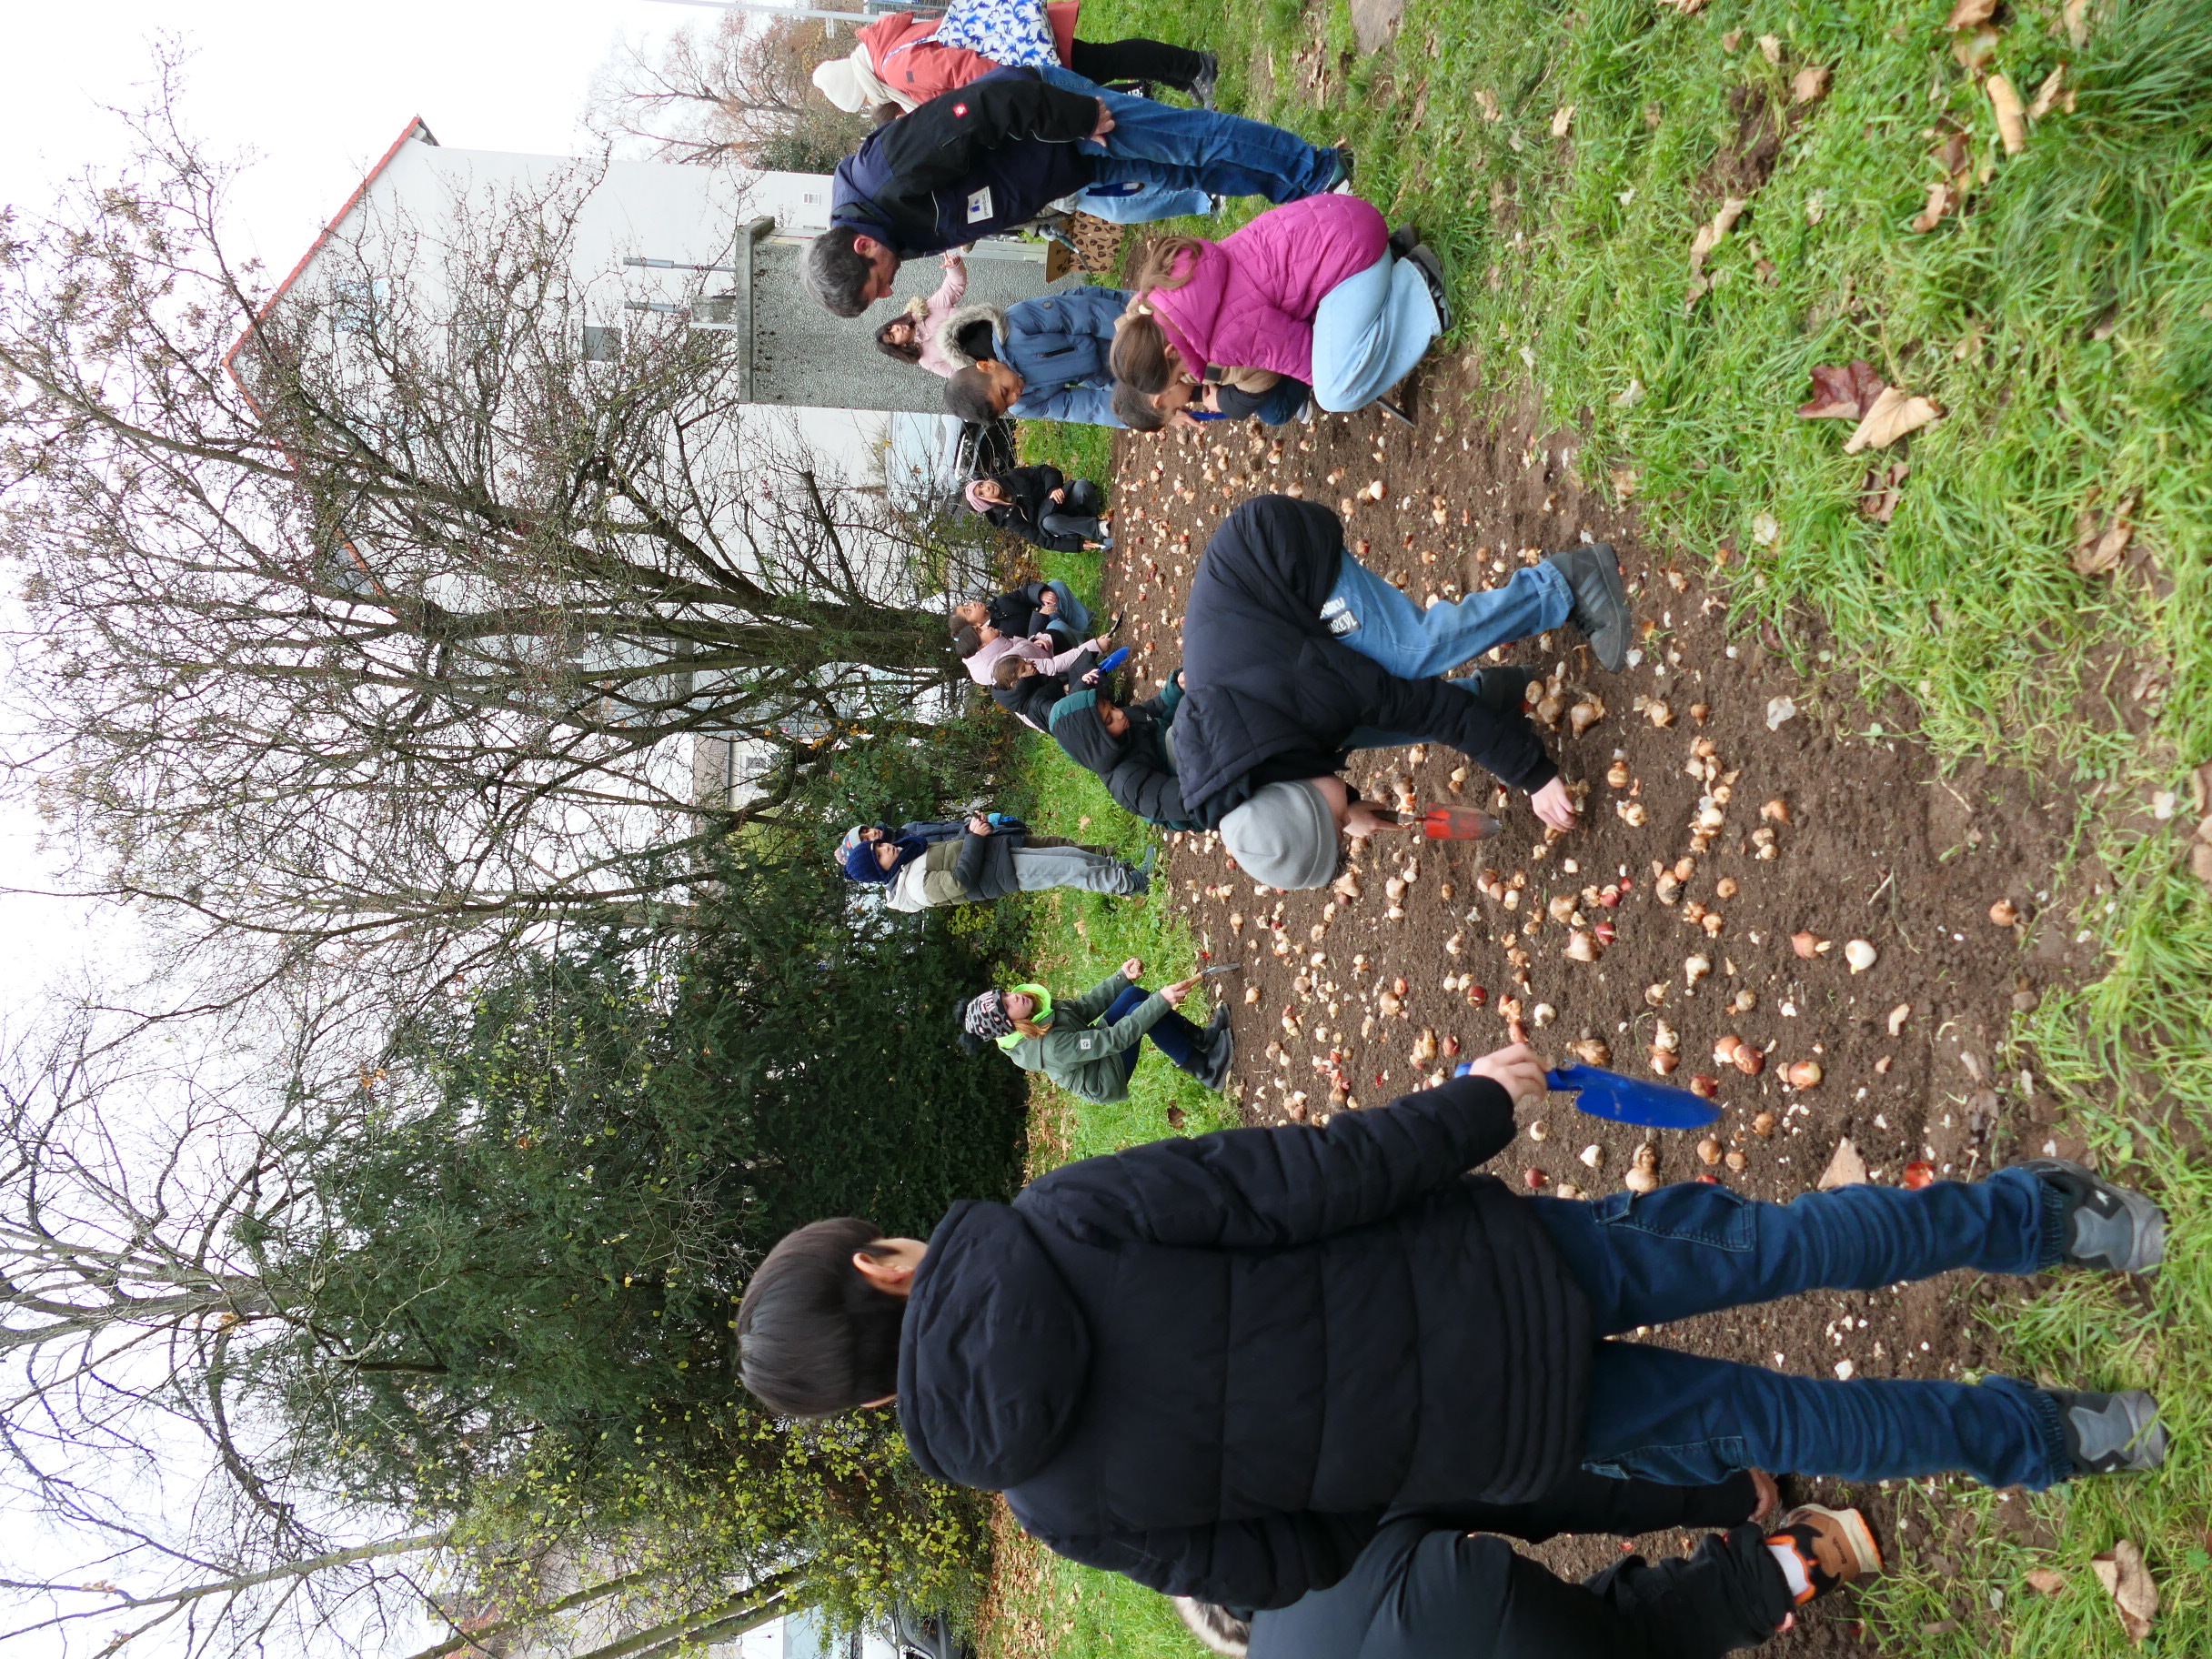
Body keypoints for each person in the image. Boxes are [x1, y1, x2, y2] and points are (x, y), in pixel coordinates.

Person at [733, 1041, 2167, 1611]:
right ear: (879, 1267)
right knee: (1782, 1246)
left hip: (1505, 1434)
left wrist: (1381, 1460)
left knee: (1785, 1421)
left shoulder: (1055, 1512)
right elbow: (1305, 1178)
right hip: (1508, 1269)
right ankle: (2056, 1223)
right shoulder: (1062, 1216)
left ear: (871, 1403)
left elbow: (1288, 1565)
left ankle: (2073, 1438)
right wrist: (1478, 1103)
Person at [1170, 495, 1632, 885]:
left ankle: (1564, 583)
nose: (1345, 827)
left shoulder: (1305, 694)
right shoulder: (1240, 773)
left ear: (1299, 797)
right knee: (1365, 719)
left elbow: (1430, 709)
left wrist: (1533, 775)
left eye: (1334, 824)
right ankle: (1491, 698)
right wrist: (1348, 806)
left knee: (1413, 652)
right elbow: (1295, 765)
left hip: (1276, 551)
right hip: (1276, 631)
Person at [807, 69, 1351, 316]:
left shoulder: (886, 175)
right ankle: (1294, 191)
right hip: (1059, 167)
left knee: (1191, 141)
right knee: (1186, 173)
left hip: (1060, 121)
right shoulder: (885, 232)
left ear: (861, 245)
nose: (889, 292)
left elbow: (985, 107)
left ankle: (1317, 170)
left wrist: (1078, 117)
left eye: (877, 285)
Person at [1174, 1498, 1880, 1659]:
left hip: (1470, 1618)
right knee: (1628, 1631)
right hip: (1473, 1604)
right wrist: (1714, 1491)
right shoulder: (1323, 1525)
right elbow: (1533, 1493)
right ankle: (1805, 1557)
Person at [1111, 197, 1448, 417]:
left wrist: (1350, 374)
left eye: (1177, 373)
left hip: (1354, 256)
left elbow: (1307, 358)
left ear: (1171, 350)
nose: (1185, 376)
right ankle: (1393, 259)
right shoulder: (1170, 284)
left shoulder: (1223, 340)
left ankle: (1420, 289)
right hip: (1344, 217)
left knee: (1336, 392)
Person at [809, 5, 1220, 115]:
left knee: (1108, 60)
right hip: (1018, 41)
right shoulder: (887, 49)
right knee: (1106, 61)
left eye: (863, 100)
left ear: (860, 86)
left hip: (1022, 59)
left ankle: (1197, 67)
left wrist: (1017, 86)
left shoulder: (896, 70)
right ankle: (1187, 76)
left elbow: (965, 71)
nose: (872, 103)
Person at [960, 957, 1232, 1099]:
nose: (1014, 998)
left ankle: (1203, 1040)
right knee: (1144, 1012)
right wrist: (1160, 1001)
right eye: (1007, 1007)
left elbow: (1082, 1007)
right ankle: (1206, 1070)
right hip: (1105, 1076)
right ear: (1010, 1026)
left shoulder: (1035, 1012)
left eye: (1005, 995)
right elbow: (1114, 1040)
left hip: (1097, 1051)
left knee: (1132, 995)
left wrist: (1121, 978)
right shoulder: (1052, 1048)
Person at [842, 812, 1150, 909]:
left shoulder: (909, 856)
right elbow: (961, 880)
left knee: (1072, 855)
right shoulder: (913, 887)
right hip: (1004, 873)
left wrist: (974, 831)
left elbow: (952, 847)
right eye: (879, 855)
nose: (886, 848)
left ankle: (1125, 871)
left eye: (880, 845)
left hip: (999, 855)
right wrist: (975, 838)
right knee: (1072, 869)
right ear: (879, 870)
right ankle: (1134, 884)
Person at [936, 289, 1131, 427]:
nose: (1014, 397)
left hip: (1114, 317)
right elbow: (1082, 407)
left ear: (986, 366)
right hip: (1106, 370)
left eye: (1004, 391)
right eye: (1007, 405)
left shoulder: (1015, 325)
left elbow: (1085, 314)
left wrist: (1132, 332)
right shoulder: (1023, 405)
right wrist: (1132, 413)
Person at [1049, 674, 1199, 830]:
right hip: (1188, 796)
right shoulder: (1128, 782)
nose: (1119, 714)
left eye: (1112, 707)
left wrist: (1177, 688)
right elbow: (1179, 801)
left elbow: (1153, 710)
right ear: (1096, 741)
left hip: (1182, 755)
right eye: (1109, 720)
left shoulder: (1123, 720)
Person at [1111, 367, 1312, 430]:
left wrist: (1225, 402)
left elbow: (1258, 375)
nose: (1184, 406)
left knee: (1275, 413)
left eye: (1175, 409)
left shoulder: (1193, 364)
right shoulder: (1163, 367)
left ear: (1159, 399)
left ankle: (1305, 371)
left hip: (1271, 353)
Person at [955, 612, 1116, 687]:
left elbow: (1023, 648)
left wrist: (1034, 641)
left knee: (1054, 627)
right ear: (982, 647)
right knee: (1056, 627)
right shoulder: (1006, 663)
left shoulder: (998, 647)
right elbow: (1052, 667)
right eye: (980, 630)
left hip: (1050, 659)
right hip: (1062, 681)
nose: (985, 626)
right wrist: (1094, 647)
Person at [967, 469, 1111, 551]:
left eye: (981, 485)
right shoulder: (1010, 519)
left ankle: (1095, 516)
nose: (987, 488)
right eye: (982, 494)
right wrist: (1077, 545)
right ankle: (1098, 529)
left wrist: (1053, 488)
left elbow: (1046, 471)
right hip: (1059, 524)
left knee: (1082, 487)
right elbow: (1041, 540)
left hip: (1062, 501)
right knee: (1049, 522)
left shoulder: (1013, 477)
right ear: (986, 503)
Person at [873, 253, 969, 376]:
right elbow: (959, 375)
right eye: (893, 336)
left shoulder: (925, 309)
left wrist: (953, 267)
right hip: (986, 357)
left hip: (987, 323)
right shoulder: (927, 360)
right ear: (901, 346)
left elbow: (953, 287)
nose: (896, 329)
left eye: (890, 327)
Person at [954, 580, 1093, 644]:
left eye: (968, 604)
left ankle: (1087, 624)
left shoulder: (999, 603)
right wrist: (1040, 616)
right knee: (1054, 627)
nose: (972, 604)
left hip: (1050, 616)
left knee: (1055, 587)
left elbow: (1024, 593)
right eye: (968, 610)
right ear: (976, 625)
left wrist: (1040, 594)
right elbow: (1028, 645)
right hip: (1048, 640)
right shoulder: (994, 637)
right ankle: (1083, 644)